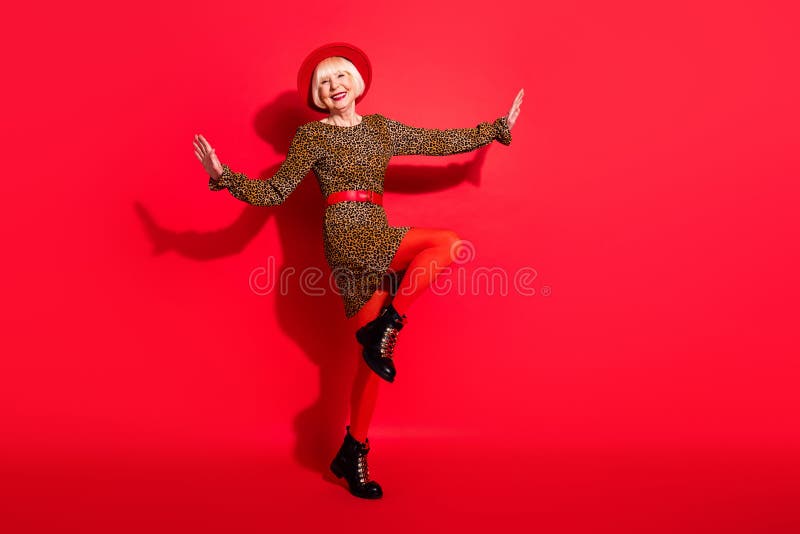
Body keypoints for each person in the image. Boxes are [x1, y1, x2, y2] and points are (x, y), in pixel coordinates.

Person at [193, 42, 523, 499]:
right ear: (317, 95)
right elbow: (273, 193)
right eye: (324, 83)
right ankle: (387, 327)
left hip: (378, 226)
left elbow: (435, 140)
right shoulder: (313, 137)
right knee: (434, 260)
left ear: (357, 82)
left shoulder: (381, 130)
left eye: (341, 77)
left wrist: (496, 129)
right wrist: (223, 174)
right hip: (344, 235)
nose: (335, 87)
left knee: (378, 354)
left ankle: (353, 450)